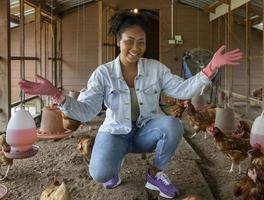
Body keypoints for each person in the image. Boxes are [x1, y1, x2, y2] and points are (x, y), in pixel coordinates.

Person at [19, 10, 242, 199]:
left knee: (173, 126)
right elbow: (86, 112)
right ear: (118, 41)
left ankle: (155, 174)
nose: (136, 47)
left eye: (141, 42)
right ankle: (113, 169)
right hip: (115, 132)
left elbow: (182, 89)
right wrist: (57, 95)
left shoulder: (155, 68)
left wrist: (210, 69)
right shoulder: (103, 74)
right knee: (100, 174)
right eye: (129, 41)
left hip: (147, 131)